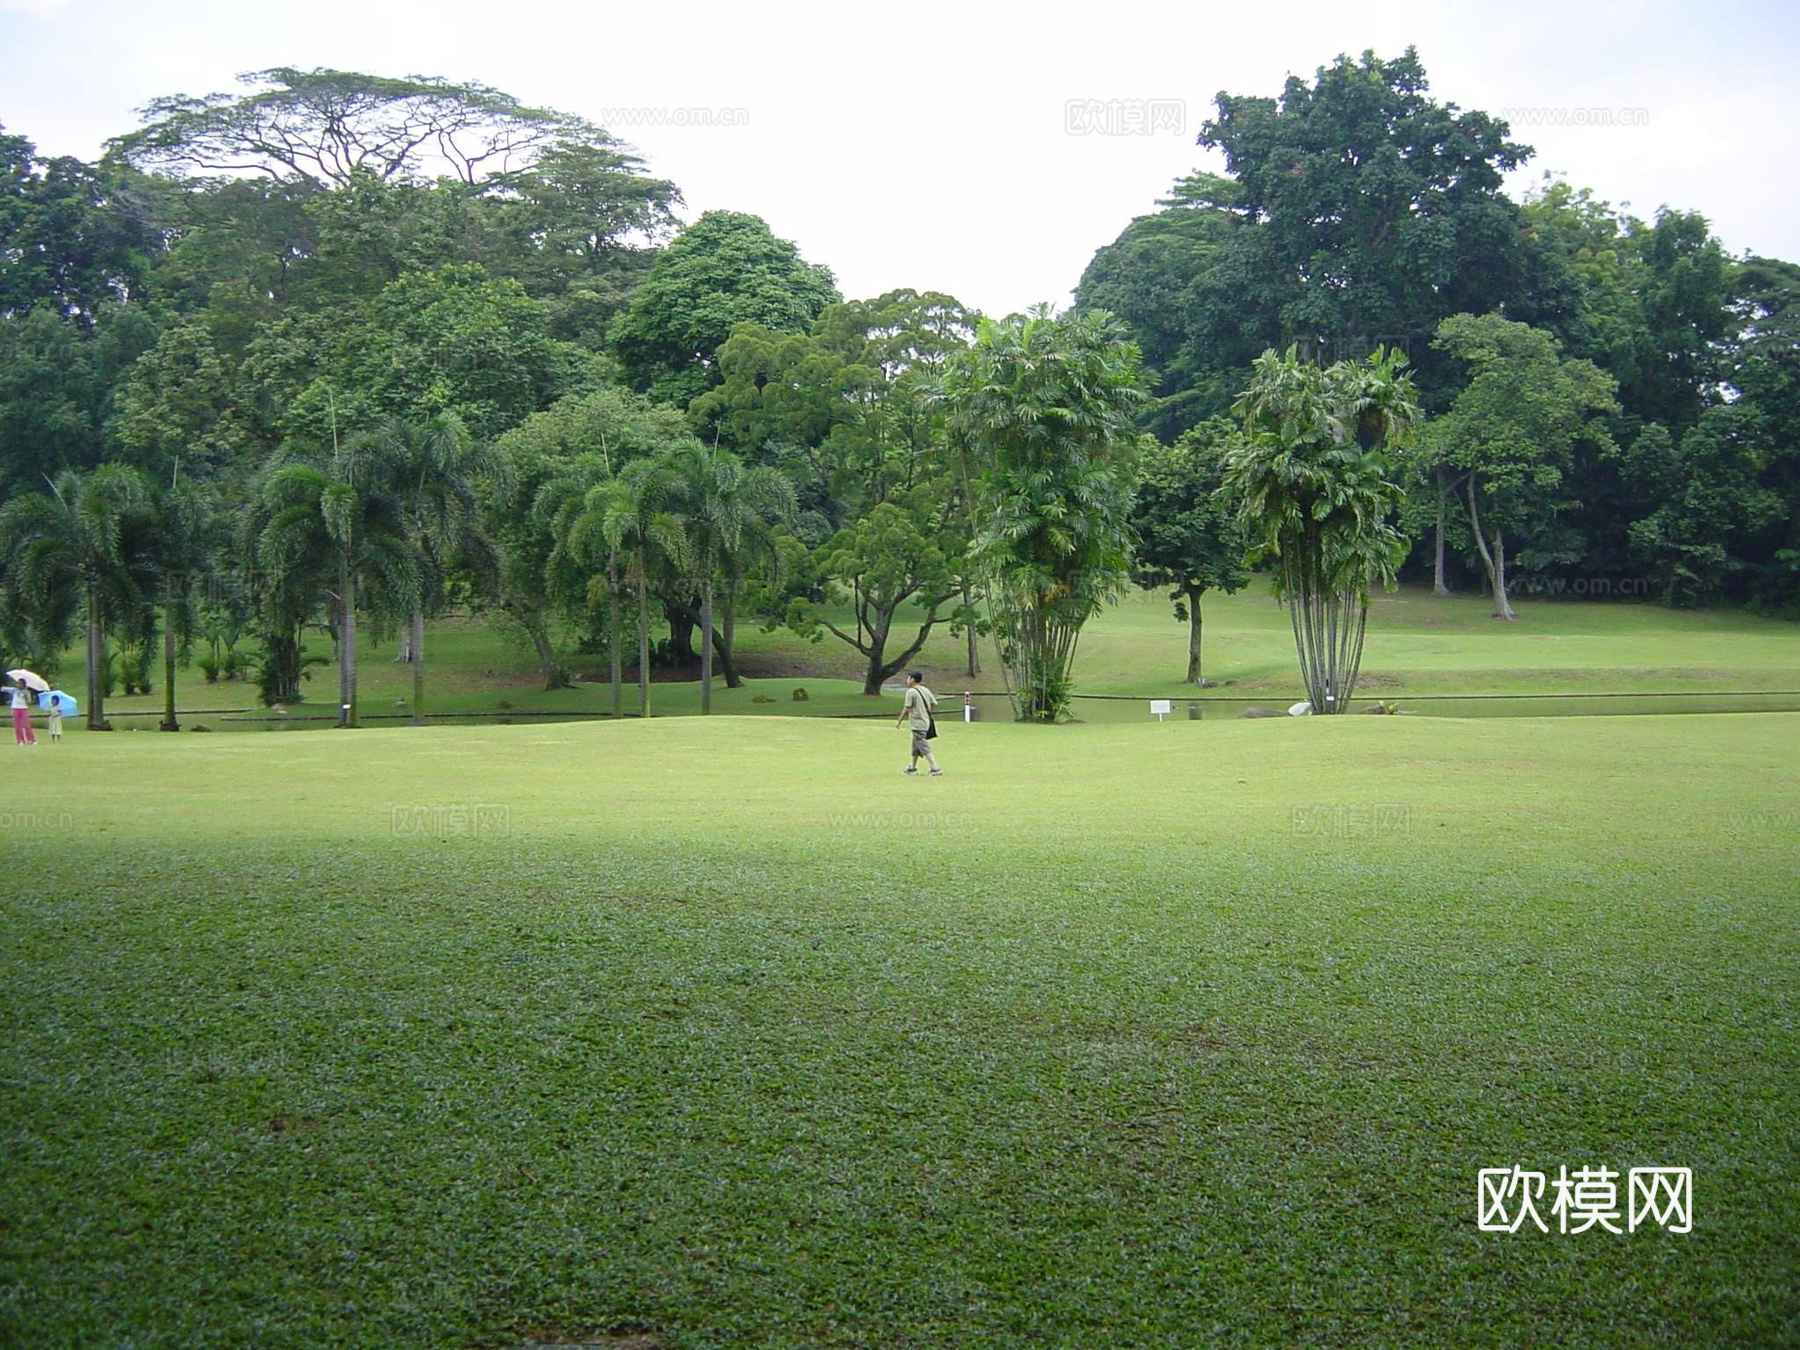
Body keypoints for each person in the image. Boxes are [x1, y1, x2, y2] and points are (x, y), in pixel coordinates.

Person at [896, 670, 941, 776]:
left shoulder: (911, 692)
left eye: (908, 678)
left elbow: (907, 708)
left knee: (923, 745)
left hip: (917, 723)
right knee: (916, 745)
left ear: (912, 679)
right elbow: (934, 703)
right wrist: (927, 713)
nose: (907, 680)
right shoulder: (925, 690)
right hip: (925, 722)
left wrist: (899, 721)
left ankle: (935, 768)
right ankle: (912, 767)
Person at [10, 677, 37, 747]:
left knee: (26, 725)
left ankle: (31, 739)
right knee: (17, 726)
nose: (18, 685)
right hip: (15, 708)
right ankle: (20, 740)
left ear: (24, 685)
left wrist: (26, 696)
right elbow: (4, 689)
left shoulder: (27, 692)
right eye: (18, 683)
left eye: (20, 684)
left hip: (23, 709)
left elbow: (29, 702)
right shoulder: (14, 690)